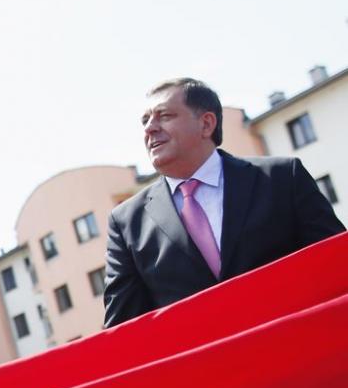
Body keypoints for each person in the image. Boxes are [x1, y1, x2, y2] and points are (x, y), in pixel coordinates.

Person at [103, 78, 345, 328]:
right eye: (145, 120)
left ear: (206, 124)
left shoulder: (283, 178)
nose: (150, 128)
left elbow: (337, 267)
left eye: (164, 116)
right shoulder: (125, 222)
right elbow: (124, 328)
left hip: (300, 349)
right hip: (203, 365)